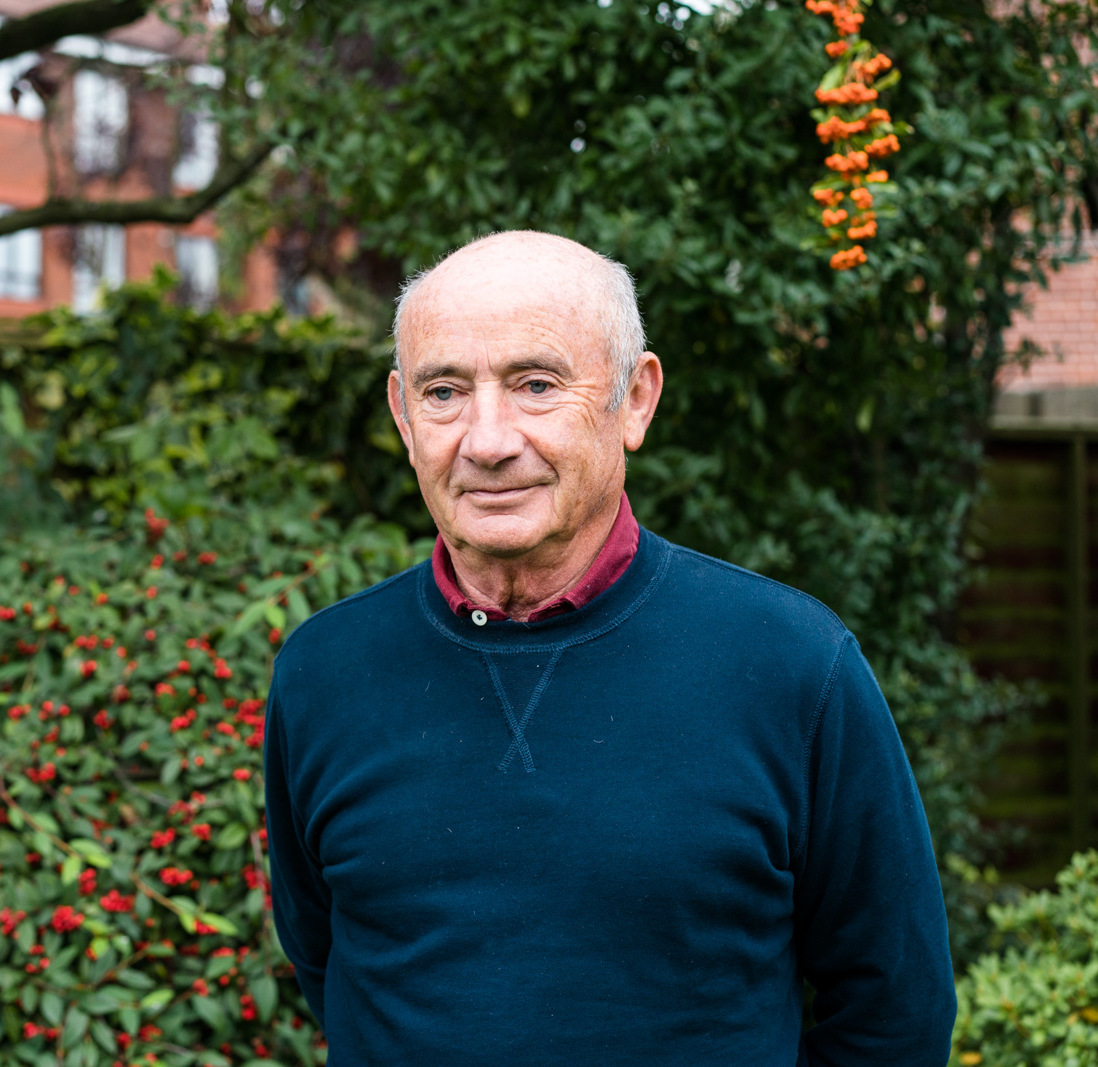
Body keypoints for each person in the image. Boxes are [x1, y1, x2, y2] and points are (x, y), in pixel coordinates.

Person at [262, 231, 955, 1065]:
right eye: (445, 390)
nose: (487, 440)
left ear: (635, 400)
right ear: (405, 417)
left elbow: (894, 1010)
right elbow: (327, 961)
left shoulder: (792, 664)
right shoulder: (324, 672)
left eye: (536, 384)